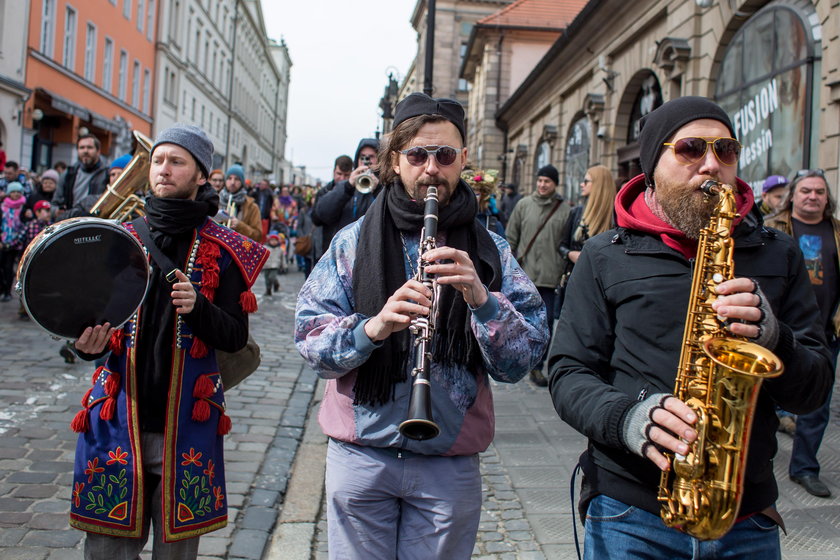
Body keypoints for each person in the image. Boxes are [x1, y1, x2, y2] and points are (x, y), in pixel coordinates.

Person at [548, 96, 833, 559]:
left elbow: (815, 388)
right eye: (691, 149)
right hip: (629, 513)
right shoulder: (604, 254)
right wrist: (628, 417)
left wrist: (773, 337)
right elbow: (567, 373)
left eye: (725, 150)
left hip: (747, 515)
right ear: (652, 164)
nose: (710, 165)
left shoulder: (778, 253)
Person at [295, 92, 548, 559]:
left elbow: (524, 359)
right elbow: (310, 340)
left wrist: (481, 299)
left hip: (447, 462)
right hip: (361, 454)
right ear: (397, 160)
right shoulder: (352, 243)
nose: (431, 168)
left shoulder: (490, 248)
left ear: (463, 160)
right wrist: (372, 328)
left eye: (445, 155)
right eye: (417, 155)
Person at [67, 123, 268, 558]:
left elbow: (236, 337)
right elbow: (99, 324)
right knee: (105, 549)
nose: (162, 169)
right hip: (118, 418)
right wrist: (91, 345)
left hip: (186, 429)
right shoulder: (118, 238)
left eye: (176, 161)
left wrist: (198, 307)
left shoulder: (227, 247)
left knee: (175, 554)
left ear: (201, 175)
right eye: (158, 160)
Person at [765, 169, 839, 498]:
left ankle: (805, 468)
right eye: (806, 190)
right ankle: (757, 462)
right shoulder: (773, 228)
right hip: (775, 331)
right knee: (763, 397)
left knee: (817, 403)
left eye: (819, 192)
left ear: (827, 198)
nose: (813, 196)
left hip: (823, 333)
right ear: (792, 195)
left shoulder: (837, 232)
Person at [505, 164, 570, 386]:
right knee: (519, 322)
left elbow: (566, 242)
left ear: (555, 184)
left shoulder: (565, 210)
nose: (542, 185)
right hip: (525, 276)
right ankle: (517, 359)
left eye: (547, 181)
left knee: (547, 325)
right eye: (540, 180)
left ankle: (537, 367)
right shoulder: (523, 205)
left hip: (550, 279)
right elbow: (510, 239)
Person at [311, 138, 381, 254]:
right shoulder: (345, 186)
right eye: (363, 156)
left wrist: (378, 189)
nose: (367, 160)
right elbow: (321, 215)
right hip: (341, 254)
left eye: (371, 156)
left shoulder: (385, 187)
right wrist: (348, 187)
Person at [558, 165, 616, 273]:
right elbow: (561, 245)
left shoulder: (615, 216)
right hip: (576, 276)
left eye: (585, 181)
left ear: (598, 184)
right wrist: (570, 254)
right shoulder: (576, 212)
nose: (581, 184)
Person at [53, 134, 109, 218]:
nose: (85, 151)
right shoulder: (68, 174)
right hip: (72, 222)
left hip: (97, 222)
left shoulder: (107, 174)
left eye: (89, 147)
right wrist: (56, 211)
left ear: (98, 151)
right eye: (81, 147)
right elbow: (55, 202)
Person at [311, 155, 353, 262]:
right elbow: (316, 219)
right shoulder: (324, 191)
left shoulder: (356, 192)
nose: (342, 178)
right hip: (326, 246)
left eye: (346, 175)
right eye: (339, 174)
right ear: (334, 171)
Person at [219, 164, 262, 242]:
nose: (232, 182)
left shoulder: (252, 206)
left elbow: (258, 236)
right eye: (229, 178)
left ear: (242, 182)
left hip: (239, 249)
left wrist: (240, 226)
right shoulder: (216, 200)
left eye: (237, 179)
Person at [0, 182, 27, 302]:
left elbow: (24, 225)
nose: (15, 194)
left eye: (18, 192)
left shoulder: (23, 208)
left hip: (16, 242)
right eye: (13, 192)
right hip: (3, 240)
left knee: (9, 267)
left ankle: (7, 291)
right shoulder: (2, 206)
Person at [463, 168, 504, 236]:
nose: (472, 197)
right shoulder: (453, 220)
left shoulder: (493, 224)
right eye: (468, 193)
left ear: (483, 196)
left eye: (476, 194)